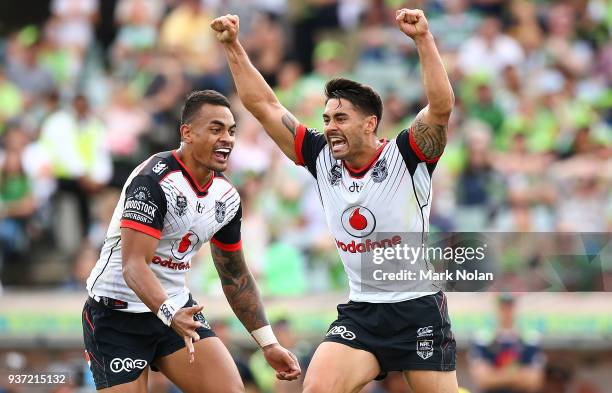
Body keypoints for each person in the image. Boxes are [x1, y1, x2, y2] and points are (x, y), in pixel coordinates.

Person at [212, 8, 457, 393]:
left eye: (340, 118)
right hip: (362, 312)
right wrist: (232, 46)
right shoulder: (320, 157)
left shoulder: (407, 156)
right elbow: (265, 106)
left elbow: (440, 108)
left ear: (369, 123)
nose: (329, 127)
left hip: (417, 309)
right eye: (326, 119)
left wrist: (423, 39)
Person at [82, 90, 300, 392]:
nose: (227, 138)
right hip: (116, 314)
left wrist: (268, 343)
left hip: (176, 310)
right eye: (216, 129)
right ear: (187, 133)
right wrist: (171, 315)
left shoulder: (226, 197)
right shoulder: (153, 182)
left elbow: (235, 276)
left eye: (231, 131)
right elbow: (134, 267)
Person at [469, 294, 545, 393]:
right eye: (503, 307)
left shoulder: (530, 339)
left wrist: (495, 375)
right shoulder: (483, 339)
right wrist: (519, 375)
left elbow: (534, 381)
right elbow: (482, 380)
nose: (506, 311)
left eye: (510, 307)